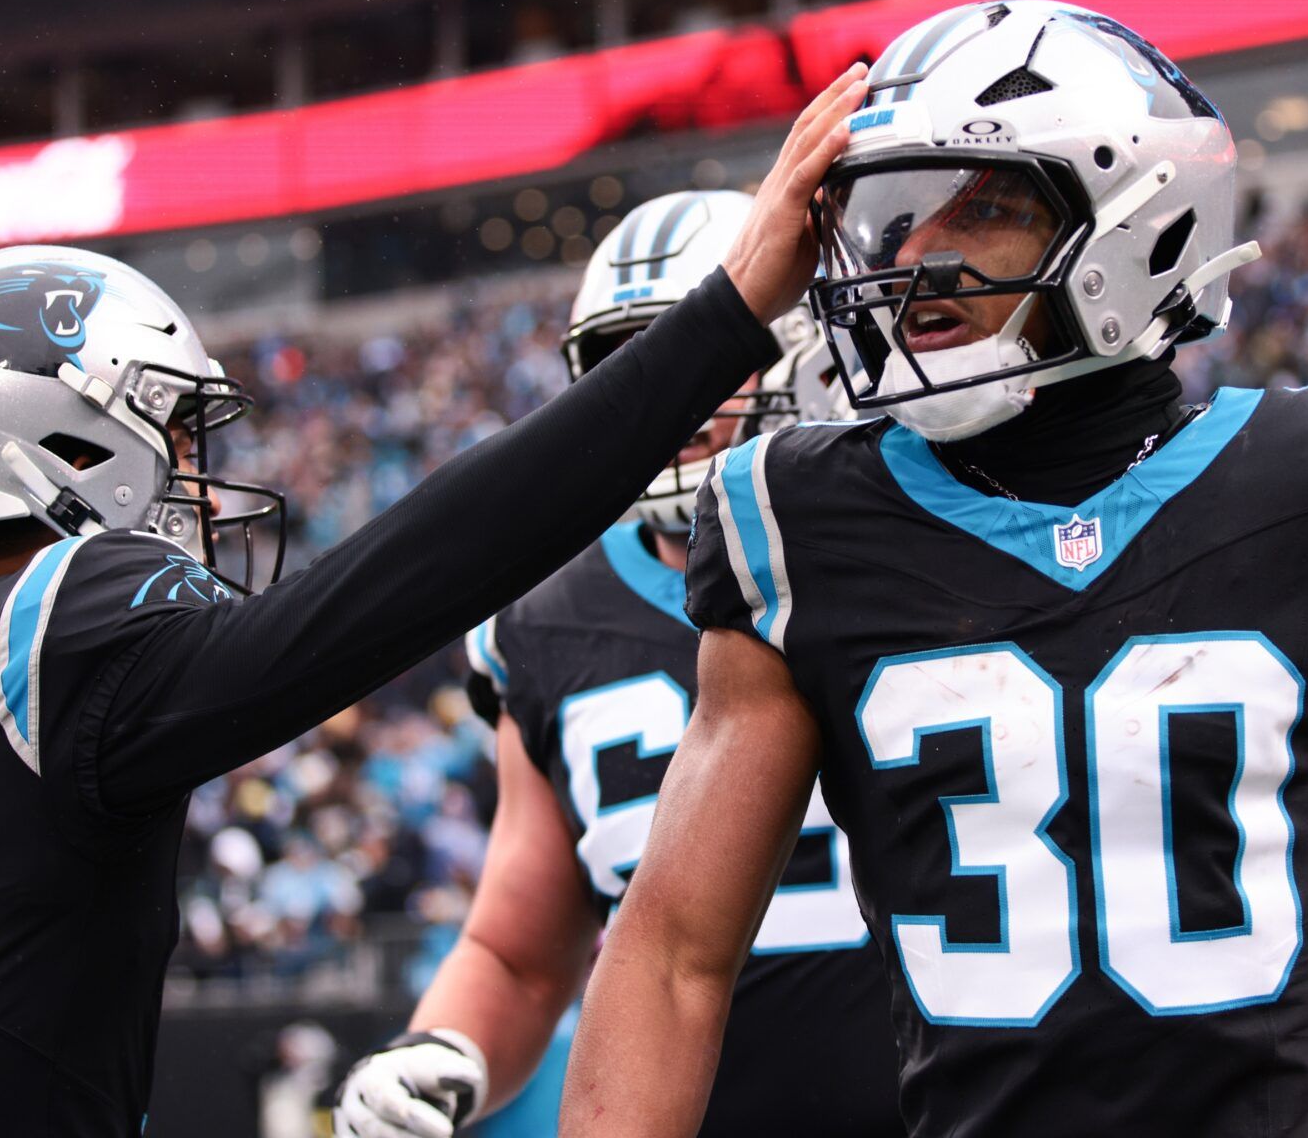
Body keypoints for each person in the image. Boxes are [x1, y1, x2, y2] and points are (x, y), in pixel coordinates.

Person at [0, 62, 872, 1137]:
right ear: (61, 434)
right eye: (174, 427)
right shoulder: (56, 622)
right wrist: (719, 320)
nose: (193, 470)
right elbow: (406, 576)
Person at [561, 0, 1308, 1136]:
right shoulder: (799, 517)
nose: (911, 256)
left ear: (1137, 216)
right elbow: (668, 954)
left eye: (984, 205)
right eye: (894, 215)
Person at [331, 192, 899, 1138]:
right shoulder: (548, 619)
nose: (672, 392)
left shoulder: (922, 545)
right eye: (627, 364)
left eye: (709, 356)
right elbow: (520, 952)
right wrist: (442, 1049)